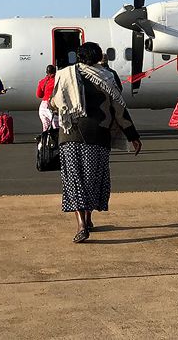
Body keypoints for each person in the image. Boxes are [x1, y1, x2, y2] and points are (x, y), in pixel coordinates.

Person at [51, 42, 141, 243]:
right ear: (98, 57)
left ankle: (81, 224)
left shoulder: (65, 74)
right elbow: (120, 110)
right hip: (98, 135)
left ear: (79, 57)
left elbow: (55, 103)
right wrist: (132, 135)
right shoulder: (108, 77)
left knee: (74, 180)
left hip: (70, 134)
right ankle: (88, 218)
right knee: (92, 178)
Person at [36, 65, 58, 131]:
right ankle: (56, 140)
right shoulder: (57, 80)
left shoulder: (42, 81)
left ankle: (45, 140)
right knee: (56, 126)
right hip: (51, 105)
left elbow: (39, 95)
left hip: (42, 106)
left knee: (46, 127)